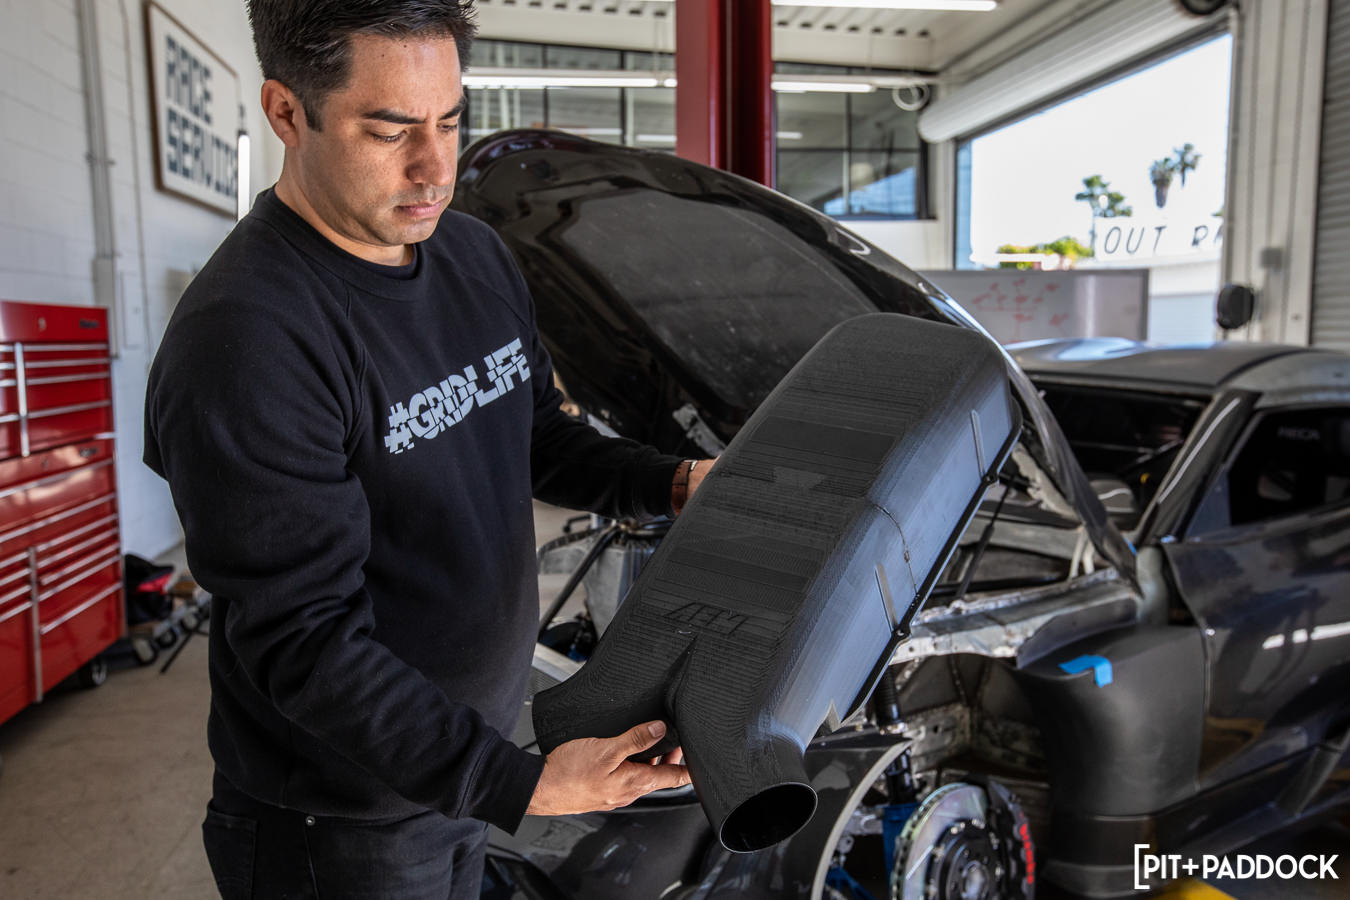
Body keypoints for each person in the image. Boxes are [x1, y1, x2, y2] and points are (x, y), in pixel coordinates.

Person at [142, 2, 710, 897]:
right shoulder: (247, 340)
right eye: (390, 130)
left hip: (457, 769)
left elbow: (534, 435)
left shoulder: (473, 255)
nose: (435, 168)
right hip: (338, 826)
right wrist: (518, 785)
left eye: (449, 122)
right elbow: (303, 638)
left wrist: (675, 483)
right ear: (287, 112)